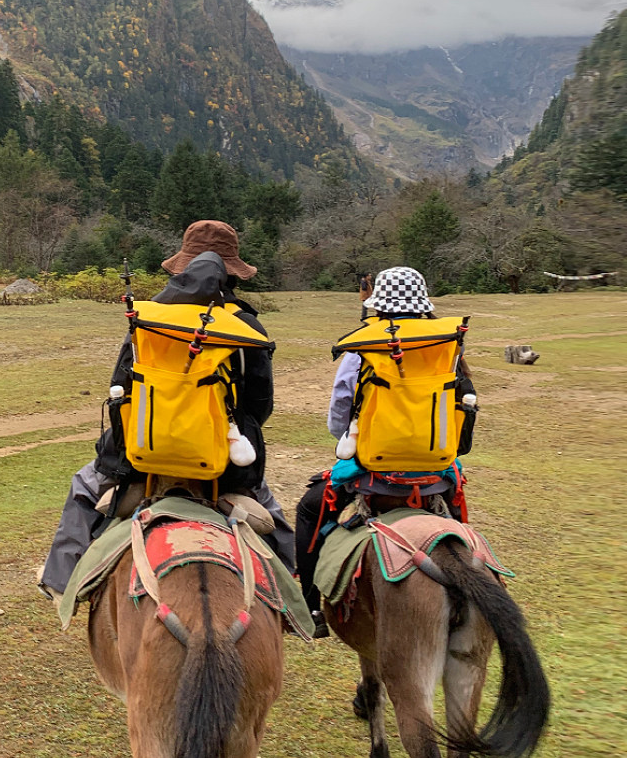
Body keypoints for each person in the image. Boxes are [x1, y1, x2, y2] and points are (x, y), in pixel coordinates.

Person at [38, 220, 295, 603]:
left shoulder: (147, 319)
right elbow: (260, 406)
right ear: (231, 274)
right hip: (226, 464)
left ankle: (61, 585)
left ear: (181, 269)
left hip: (142, 459)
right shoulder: (246, 326)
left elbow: (121, 389)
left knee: (84, 488)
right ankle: (299, 594)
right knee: (270, 515)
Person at [295, 266, 476, 637]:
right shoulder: (446, 347)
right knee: (457, 516)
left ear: (380, 305)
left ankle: (312, 605)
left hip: (373, 474)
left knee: (310, 508)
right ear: (424, 304)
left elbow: (338, 420)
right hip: (435, 473)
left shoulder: (362, 346)